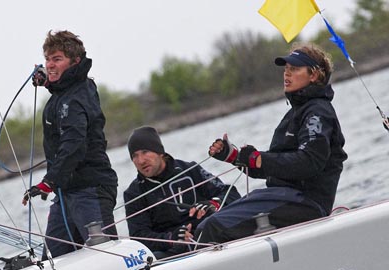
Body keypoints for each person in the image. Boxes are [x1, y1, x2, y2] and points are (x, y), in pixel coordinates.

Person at [198, 43, 347, 244]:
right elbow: (276, 166)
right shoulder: (295, 113)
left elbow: (309, 162)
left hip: (305, 202)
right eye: (286, 69)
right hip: (284, 196)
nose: (287, 74)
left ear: (314, 75)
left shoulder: (317, 112)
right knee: (204, 225)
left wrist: (258, 159)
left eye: (294, 69)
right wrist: (235, 157)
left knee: (213, 227)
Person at [22, 30, 118, 258]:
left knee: (107, 256)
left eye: (57, 59)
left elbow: (74, 144)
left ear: (75, 62)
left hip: (91, 190)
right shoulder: (70, 89)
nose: (50, 65)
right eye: (47, 59)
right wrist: (48, 82)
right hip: (67, 194)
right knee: (54, 260)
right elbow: (69, 85)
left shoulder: (76, 98)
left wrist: (49, 182)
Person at [123, 126, 240, 258]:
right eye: (134, 156)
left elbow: (231, 194)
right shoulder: (133, 193)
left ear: (160, 152)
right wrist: (170, 238)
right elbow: (139, 237)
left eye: (145, 152)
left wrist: (214, 203)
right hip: (172, 252)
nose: (140, 160)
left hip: (209, 238)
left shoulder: (190, 170)